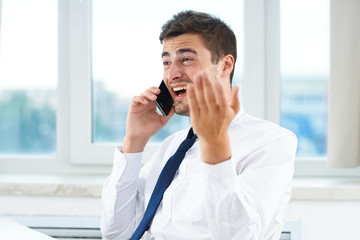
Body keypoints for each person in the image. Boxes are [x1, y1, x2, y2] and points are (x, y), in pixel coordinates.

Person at [101, 10, 297, 240]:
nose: (172, 74)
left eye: (186, 59)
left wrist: (215, 146)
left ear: (225, 66)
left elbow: (237, 236)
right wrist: (134, 141)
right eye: (166, 62)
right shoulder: (171, 147)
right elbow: (117, 234)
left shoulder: (271, 142)